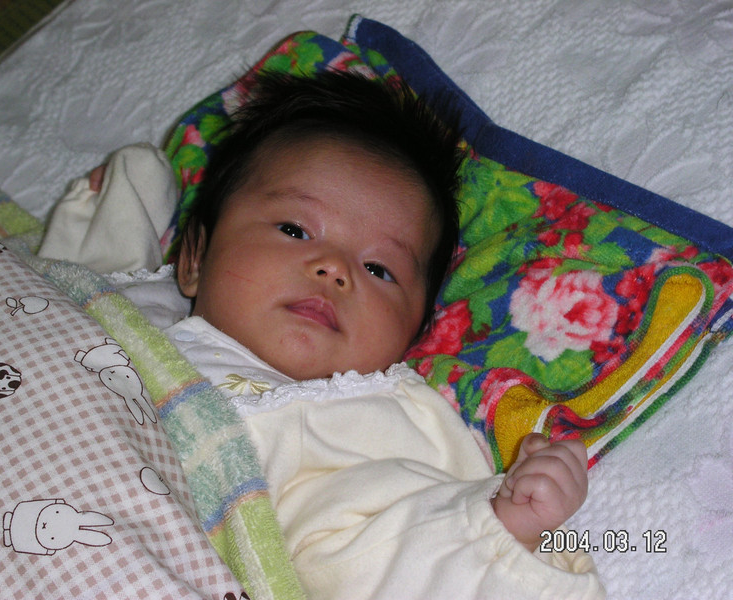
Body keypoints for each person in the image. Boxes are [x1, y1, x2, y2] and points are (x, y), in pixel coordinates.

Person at [67, 71, 604, 598]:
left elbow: (376, 561)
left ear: (413, 335)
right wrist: (109, 206)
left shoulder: (353, 428)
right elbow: (47, 303)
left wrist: (502, 529)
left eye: (379, 269)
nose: (335, 269)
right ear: (194, 259)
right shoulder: (130, 308)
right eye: (295, 230)